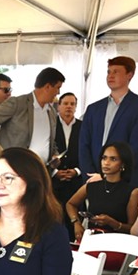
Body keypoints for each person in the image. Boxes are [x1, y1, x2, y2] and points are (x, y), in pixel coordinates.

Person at [79, 56, 138, 186]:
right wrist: (90, 174)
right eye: (108, 72)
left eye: (116, 72)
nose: (110, 76)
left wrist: (107, 174)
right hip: (94, 178)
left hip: (126, 179)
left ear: (130, 75)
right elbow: (84, 145)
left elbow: (137, 147)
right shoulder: (94, 108)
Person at [0, 67, 65, 162]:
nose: (58, 92)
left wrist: (54, 155)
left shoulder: (51, 111)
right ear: (47, 87)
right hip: (13, 168)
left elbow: (50, 140)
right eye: (58, 88)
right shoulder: (17, 104)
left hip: (42, 170)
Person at [66, 142, 138, 242]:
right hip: (92, 240)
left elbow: (133, 229)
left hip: (118, 244)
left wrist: (112, 223)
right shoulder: (91, 186)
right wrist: (76, 223)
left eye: (113, 159)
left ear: (123, 164)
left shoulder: (132, 192)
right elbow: (70, 204)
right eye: (104, 158)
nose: (106, 162)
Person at [52, 92, 84, 233]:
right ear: (58, 106)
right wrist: (54, 172)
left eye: (72, 104)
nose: (69, 107)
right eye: (65, 103)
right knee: (54, 219)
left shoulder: (83, 126)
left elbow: (87, 152)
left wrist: (77, 171)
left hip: (75, 180)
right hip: (53, 181)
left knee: (74, 222)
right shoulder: (51, 124)